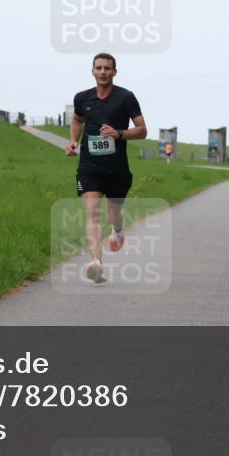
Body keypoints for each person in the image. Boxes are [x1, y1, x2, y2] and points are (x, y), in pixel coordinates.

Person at [65, 53, 147, 284]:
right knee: (92, 210)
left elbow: (142, 130)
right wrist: (73, 141)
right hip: (89, 167)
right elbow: (77, 120)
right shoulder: (82, 98)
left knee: (112, 214)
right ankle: (96, 262)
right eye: (99, 68)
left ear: (114, 72)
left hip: (117, 168)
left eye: (107, 68)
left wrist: (119, 133)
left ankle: (118, 230)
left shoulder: (126, 97)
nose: (103, 72)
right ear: (93, 71)